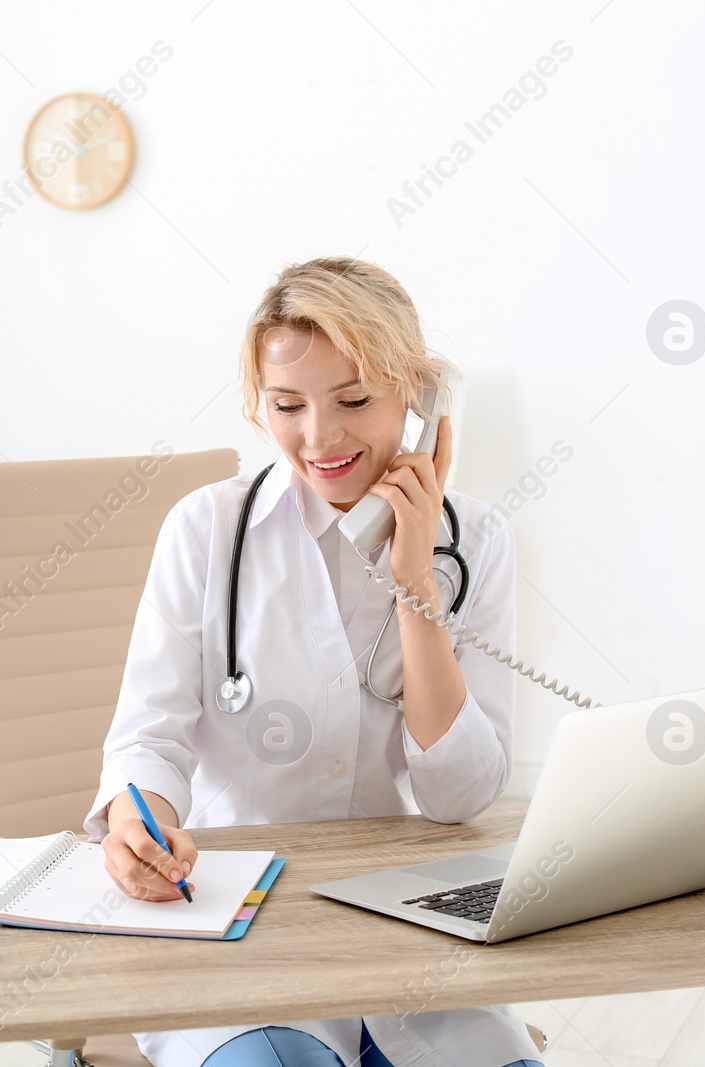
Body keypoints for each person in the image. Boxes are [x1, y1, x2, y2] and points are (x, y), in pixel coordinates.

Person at [82, 258, 546, 1067]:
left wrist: (412, 586)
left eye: (356, 401)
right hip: (239, 918)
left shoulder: (474, 542)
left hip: (409, 919)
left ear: (422, 399)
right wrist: (135, 822)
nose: (319, 438)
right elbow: (148, 739)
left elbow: (460, 792)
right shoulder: (206, 529)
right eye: (288, 405)